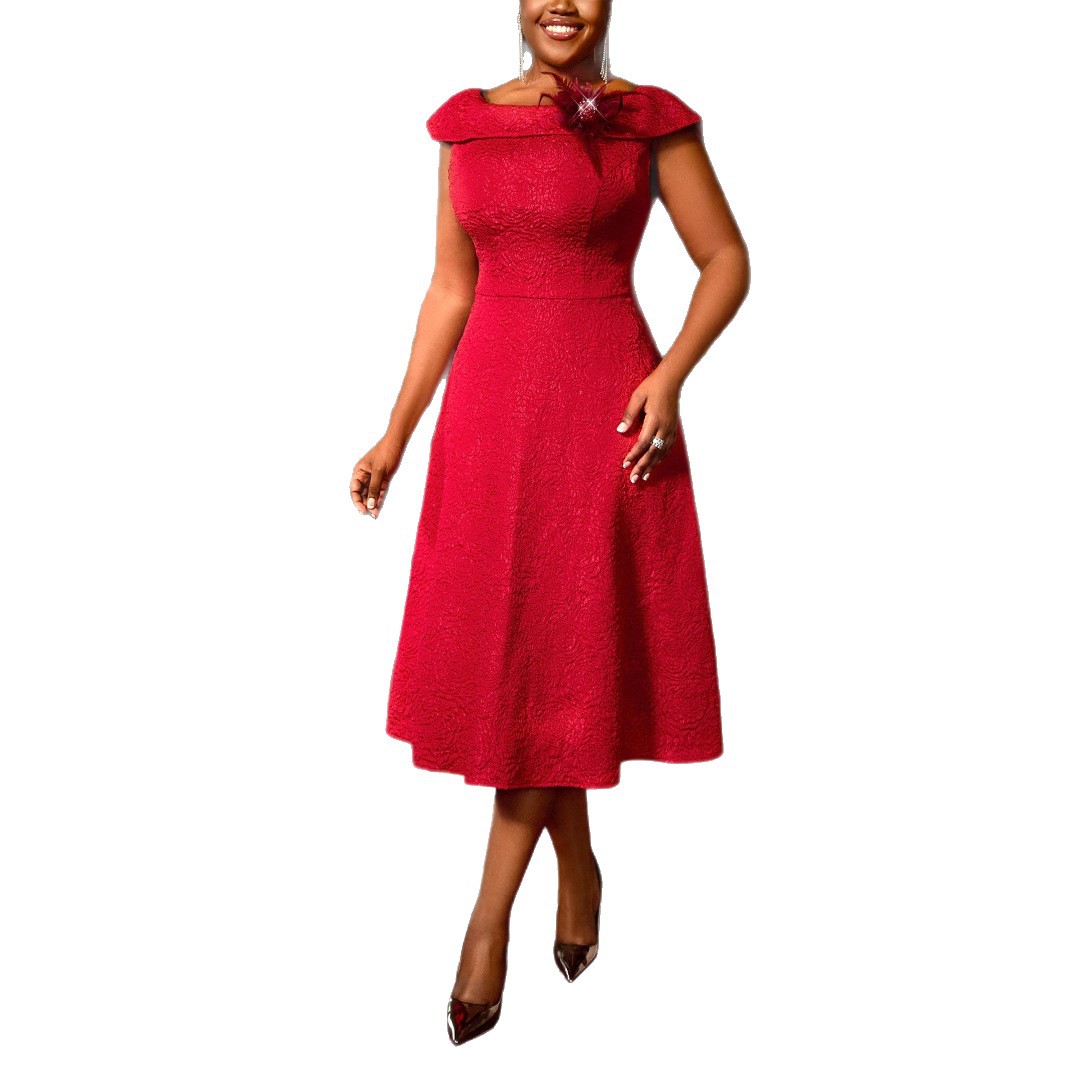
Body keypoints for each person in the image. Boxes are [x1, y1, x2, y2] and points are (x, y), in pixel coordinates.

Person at [349, 0, 749, 1046]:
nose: (561, 3)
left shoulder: (648, 118)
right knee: (526, 665)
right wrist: (396, 431)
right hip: (489, 417)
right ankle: (577, 862)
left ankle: (484, 925)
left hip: (604, 407)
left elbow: (726, 259)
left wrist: (670, 377)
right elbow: (449, 288)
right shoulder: (465, 124)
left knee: (561, 653)